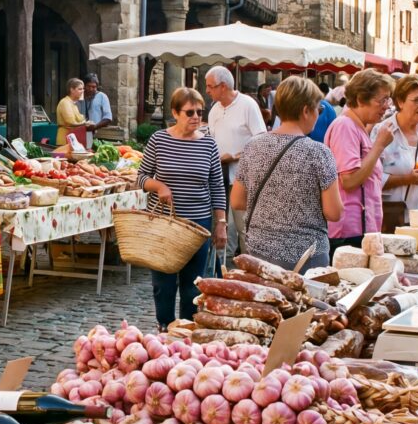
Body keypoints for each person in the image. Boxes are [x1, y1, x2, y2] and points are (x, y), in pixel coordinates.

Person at [232, 77, 343, 272]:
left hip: (259, 255)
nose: (319, 114)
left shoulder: (252, 147)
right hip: (306, 258)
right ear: (306, 111)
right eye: (319, 109)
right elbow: (334, 212)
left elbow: (237, 201)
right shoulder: (318, 153)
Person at [138, 88, 227, 329]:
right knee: (163, 283)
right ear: (175, 113)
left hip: (198, 225)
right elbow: (141, 177)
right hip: (165, 225)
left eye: (200, 111)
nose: (196, 116)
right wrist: (158, 185)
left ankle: (186, 330)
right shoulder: (159, 140)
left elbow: (217, 187)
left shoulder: (209, 144)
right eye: (190, 112)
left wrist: (221, 224)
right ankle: (165, 326)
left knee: (193, 284)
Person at [324, 69, 395, 250]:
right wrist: (379, 146)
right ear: (360, 99)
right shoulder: (345, 126)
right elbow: (349, 181)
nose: (386, 106)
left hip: (361, 230)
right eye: (381, 100)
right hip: (349, 233)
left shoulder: (357, 126)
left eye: (388, 99)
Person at [206, 66, 266, 260]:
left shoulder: (247, 104)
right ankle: (221, 272)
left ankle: (248, 269)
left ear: (223, 86)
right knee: (222, 226)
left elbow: (261, 140)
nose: (207, 90)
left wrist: (233, 156)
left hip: (243, 178)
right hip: (218, 178)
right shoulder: (214, 109)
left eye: (210, 86)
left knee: (243, 227)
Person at [372, 75, 418, 222]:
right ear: (400, 102)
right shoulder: (382, 131)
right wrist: (407, 179)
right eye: (417, 100)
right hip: (394, 217)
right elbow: (371, 178)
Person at [78, 73, 113, 145]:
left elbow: (108, 118)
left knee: (94, 151)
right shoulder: (79, 97)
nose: (91, 89)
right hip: (81, 132)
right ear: (84, 86)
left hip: (98, 133)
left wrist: (95, 127)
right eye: (88, 86)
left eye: (93, 87)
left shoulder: (102, 96)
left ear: (97, 87)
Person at [55, 78, 87, 145]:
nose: (82, 91)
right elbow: (71, 122)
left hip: (73, 139)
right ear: (72, 90)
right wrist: (85, 123)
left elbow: (80, 119)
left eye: (83, 89)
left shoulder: (73, 103)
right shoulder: (65, 102)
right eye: (80, 89)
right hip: (65, 138)